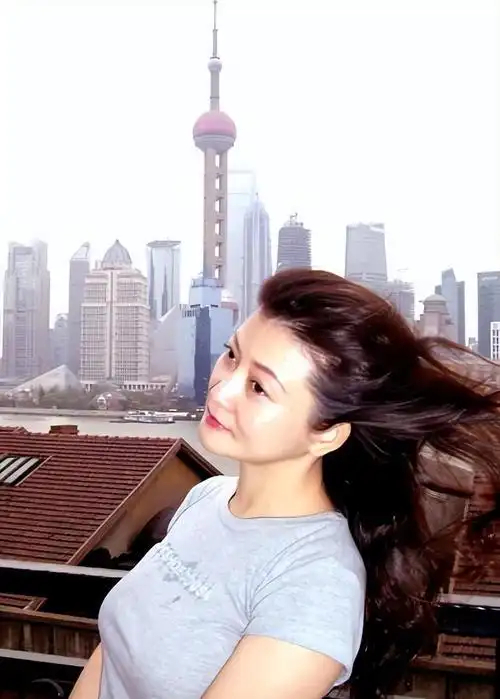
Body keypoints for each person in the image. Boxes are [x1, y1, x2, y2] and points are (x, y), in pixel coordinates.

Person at [70, 268, 500, 699]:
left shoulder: (317, 583)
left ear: (326, 434)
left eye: (259, 387)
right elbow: (111, 654)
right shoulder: (205, 497)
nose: (220, 390)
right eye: (231, 355)